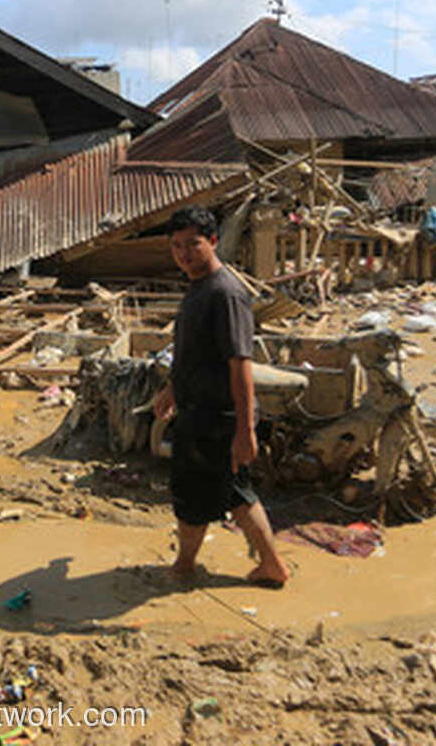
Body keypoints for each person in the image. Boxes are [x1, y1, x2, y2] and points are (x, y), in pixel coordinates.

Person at [153, 206, 291, 589]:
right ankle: (272, 565)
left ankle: (184, 565)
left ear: (213, 242)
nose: (183, 253)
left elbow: (240, 365)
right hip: (200, 409)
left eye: (193, 244)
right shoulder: (198, 287)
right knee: (235, 492)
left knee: (193, 494)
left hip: (217, 417)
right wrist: (171, 388)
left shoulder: (225, 293)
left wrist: (245, 430)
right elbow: (194, 351)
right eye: (176, 246)